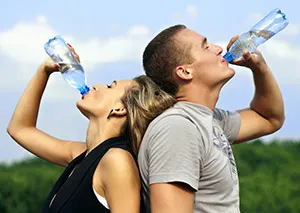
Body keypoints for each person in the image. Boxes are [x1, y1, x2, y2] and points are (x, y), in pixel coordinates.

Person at [6, 45, 175, 213]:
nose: (98, 85)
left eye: (110, 86)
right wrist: (44, 70)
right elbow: (19, 129)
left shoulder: (117, 161)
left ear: (119, 109)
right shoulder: (82, 155)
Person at [138, 24, 285, 213]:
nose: (219, 49)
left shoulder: (209, 119)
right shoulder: (177, 128)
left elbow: (269, 118)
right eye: (206, 46)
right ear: (185, 72)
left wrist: (259, 68)